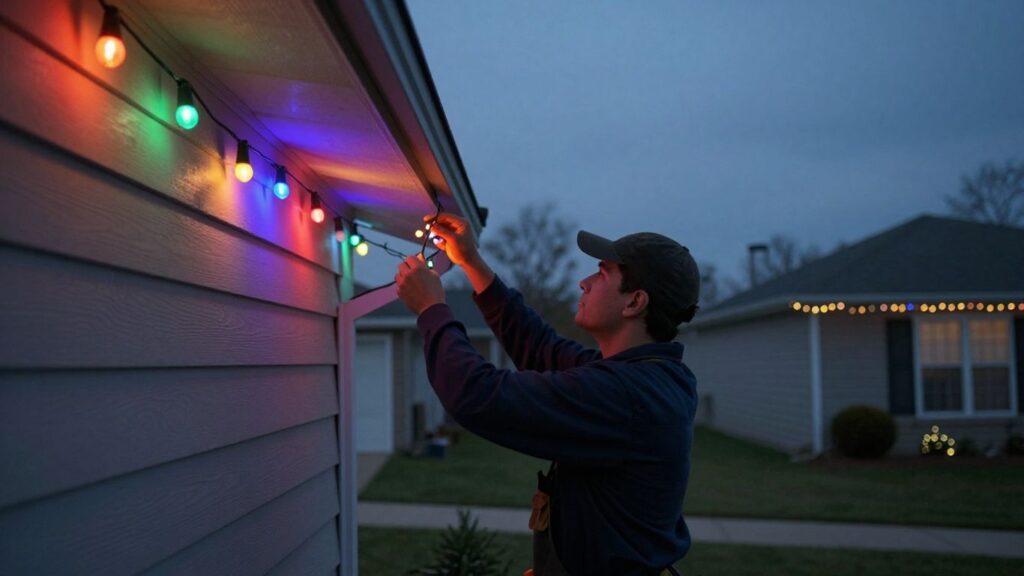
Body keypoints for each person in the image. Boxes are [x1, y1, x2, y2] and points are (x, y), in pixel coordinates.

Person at [394, 212, 700, 576]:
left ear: (634, 302)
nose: (583, 283)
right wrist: (472, 263)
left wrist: (431, 310)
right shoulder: (641, 378)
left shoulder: (626, 395)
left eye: (601, 274)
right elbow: (540, 348)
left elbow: (477, 395)